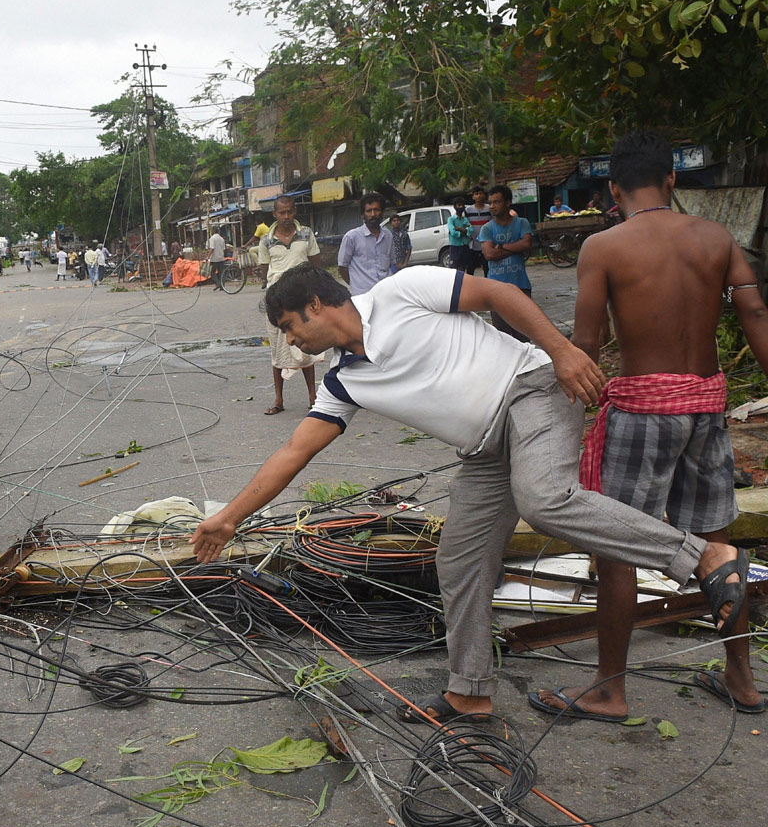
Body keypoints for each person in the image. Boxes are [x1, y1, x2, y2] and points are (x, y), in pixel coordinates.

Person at [188, 261, 747, 723]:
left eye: (289, 325)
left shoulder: (398, 293)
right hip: (483, 449)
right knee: (458, 561)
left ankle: (705, 557)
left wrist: (561, 351)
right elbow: (295, 450)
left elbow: (498, 292)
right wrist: (229, 518)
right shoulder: (343, 379)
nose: (291, 340)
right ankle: (470, 693)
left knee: (544, 498)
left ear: (315, 304)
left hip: (531, 391)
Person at [531, 131, 768, 721]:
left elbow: (589, 342)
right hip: (706, 406)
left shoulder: (604, 247)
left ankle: (610, 691)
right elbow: (755, 311)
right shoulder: (717, 237)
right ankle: (742, 680)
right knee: (716, 544)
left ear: (613, 190)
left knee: (619, 550)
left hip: (642, 411)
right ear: (671, 182)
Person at [257, 195, 324, 415]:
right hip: (277, 301)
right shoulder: (266, 239)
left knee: (306, 348)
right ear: (275, 214)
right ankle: (279, 400)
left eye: (290, 212)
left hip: (302, 299)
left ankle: (313, 397)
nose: (286, 217)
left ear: (295, 212)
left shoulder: (306, 234)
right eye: (282, 213)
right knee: (277, 349)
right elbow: (263, 271)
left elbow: (315, 265)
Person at [479, 184, 533, 342]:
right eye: (491, 203)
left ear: (508, 202)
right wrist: (515, 247)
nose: (493, 206)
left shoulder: (521, 223)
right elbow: (488, 254)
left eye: (497, 202)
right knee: (503, 338)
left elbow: (526, 244)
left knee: (524, 335)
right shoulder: (487, 229)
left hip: (520, 285)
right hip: (496, 288)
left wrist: (501, 247)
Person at [337, 192, 393, 295]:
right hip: (363, 296)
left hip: (386, 293)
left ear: (382, 212)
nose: (373, 214)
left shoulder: (388, 236)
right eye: (368, 211)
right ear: (363, 214)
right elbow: (342, 268)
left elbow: (391, 264)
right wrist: (356, 285)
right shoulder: (352, 237)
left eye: (376, 210)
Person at [465, 185, 491, 276]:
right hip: (473, 244)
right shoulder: (468, 210)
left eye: (481, 193)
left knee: (487, 268)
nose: (479, 196)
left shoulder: (489, 208)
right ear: (473, 197)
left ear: (484, 195)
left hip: (486, 243)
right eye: (476, 194)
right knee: (470, 269)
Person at [447, 198, 474, 273]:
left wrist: (459, 229)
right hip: (455, 247)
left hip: (464, 246)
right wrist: (464, 231)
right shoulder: (451, 219)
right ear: (455, 207)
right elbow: (453, 232)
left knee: (463, 267)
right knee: (454, 269)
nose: (461, 207)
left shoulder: (464, 219)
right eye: (459, 205)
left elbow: (471, 229)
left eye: (462, 205)